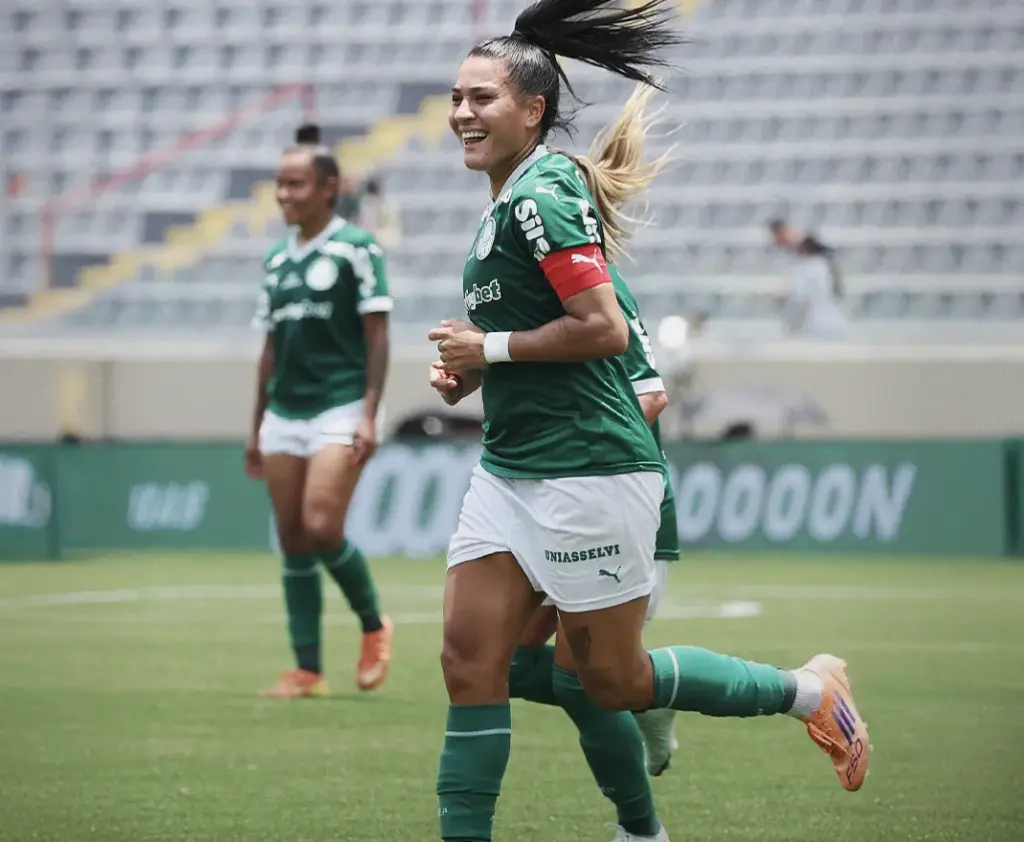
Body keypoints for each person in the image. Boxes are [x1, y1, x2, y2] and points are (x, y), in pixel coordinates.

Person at [426, 2, 871, 840]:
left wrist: (493, 349)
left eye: (482, 98)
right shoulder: (510, 198)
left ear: (533, 109)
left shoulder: (545, 189)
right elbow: (547, 343)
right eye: (456, 96)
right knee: (469, 665)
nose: (461, 112)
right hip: (509, 471)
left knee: (613, 683)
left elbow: (604, 329)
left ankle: (809, 690)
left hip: (588, 474)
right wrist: (473, 367)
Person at [245, 123, 394, 699]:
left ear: (329, 188)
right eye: (279, 185)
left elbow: (378, 336)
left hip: (340, 404)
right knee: (291, 537)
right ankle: (307, 669)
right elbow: (268, 350)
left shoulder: (358, 248)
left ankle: (374, 624)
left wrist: (368, 414)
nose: (285, 195)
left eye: (296, 184)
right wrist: (256, 423)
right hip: (285, 411)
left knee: (320, 526)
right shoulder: (276, 260)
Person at [769, 219, 848, 339]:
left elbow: (801, 295)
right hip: (821, 320)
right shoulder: (815, 265)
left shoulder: (813, 266)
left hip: (819, 323)